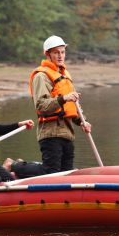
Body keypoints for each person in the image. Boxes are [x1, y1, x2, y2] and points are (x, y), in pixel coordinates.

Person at [11, 35, 91, 176]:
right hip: (51, 133)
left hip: (67, 132)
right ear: (48, 54)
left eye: (62, 52)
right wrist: (64, 98)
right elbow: (42, 106)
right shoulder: (41, 76)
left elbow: (72, 107)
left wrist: (81, 121)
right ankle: (14, 165)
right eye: (56, 52)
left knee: (67, 173)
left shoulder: (64, 75)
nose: (60, 56)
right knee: (50, 172)